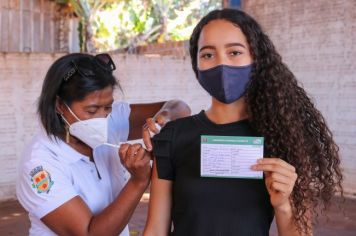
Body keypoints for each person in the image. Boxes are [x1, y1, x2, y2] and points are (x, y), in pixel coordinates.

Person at [141, 8, 343, 236]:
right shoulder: (173, 136)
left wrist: (284, 206)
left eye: (234, 52)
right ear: (196, 65)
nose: (221, 64)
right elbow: (155, 230)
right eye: (208, 55)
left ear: (256, 59)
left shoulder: (283, 139)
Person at [16, 53, 191, 236]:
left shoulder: (112, 119)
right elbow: (90, 233)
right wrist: (138, 181)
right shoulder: (40, 164)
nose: (102, 118)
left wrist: (163, 119)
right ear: (60, 105)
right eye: (91, 110)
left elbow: (180, 108)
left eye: (108, 107)